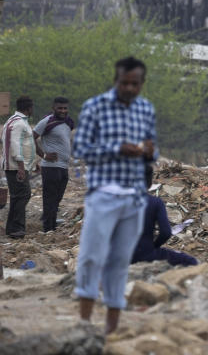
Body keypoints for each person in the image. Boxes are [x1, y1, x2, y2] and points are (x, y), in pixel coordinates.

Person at [73, 57, 156, 334]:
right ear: (116, 80)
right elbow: (81, 148)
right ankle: (84, 324)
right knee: (91, 257)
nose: (130, 88)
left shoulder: (146, 109)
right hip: (103, 194)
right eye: (124, 83)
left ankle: (111, 328)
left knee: (120, 261)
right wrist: (117, 149)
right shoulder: (95, 107)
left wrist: (147, 151)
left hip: (134, 197)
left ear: (142, 84)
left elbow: (153, 150)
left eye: (135, 84)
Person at [131, 164, 197, 267]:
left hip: (119, 255)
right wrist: (154, 246)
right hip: (146, 253)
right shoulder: (155, 202)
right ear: (149, 183)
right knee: (190, 261)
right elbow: (166, 233)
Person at [34, 97, 74, 233]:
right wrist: (44, 155)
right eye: (60, 108)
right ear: (53, 108)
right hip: (51, 166)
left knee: (57, 197)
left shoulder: (69, 122)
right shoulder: (47, 121)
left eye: (65, 108)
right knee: (50, 197)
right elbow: (30, 137)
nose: (63, 111)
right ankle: (48, 228)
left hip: (63, 166)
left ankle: (51, 222)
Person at [2, 96, 38, 238]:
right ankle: (17, 228)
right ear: (28, 108)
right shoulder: (18, 124)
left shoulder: (15, 121)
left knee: (18, 196)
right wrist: (21, 167)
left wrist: (32, 165)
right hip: (16, 167)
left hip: (16, 166)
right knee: (23, 194)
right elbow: (15, 145)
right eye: (32, 107)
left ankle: (12, 228)